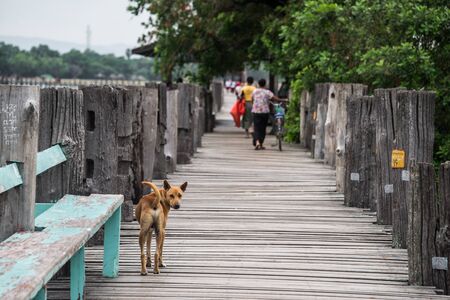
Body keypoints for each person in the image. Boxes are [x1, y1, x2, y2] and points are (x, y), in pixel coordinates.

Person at [251, 78, 286, 150]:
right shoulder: (267, 92)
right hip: (264, 112)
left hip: (256, 111)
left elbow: (252, 99)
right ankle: (260, 143)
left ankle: (257, 143)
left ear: (258, 84)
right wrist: (283, 100)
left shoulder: (254, 91)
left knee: (256, 127)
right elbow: (275, 99)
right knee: (263, 128)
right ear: (265, 84)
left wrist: (254, 106)